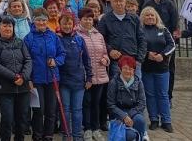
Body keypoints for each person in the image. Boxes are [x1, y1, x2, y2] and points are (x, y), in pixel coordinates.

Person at [24, 11, 65, 141]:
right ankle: (37, 135)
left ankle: (48, 135)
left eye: (43, 20)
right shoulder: (29, 38)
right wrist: (28, 79)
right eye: (38, 20)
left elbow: (62, 53)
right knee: (38, 110)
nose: (41, 23)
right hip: (36, 79)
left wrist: (56, 61)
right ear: (34, 21)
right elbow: (26, 59)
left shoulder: (53, 37)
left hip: (52, 78)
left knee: (51, 110)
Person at [0, 15, 32, 141]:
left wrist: (23, 77)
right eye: (4, 25)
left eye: (10, 25)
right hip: (5, 88)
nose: (7, 28)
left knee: (22, 119)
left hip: (23, 87)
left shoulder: (20, 42)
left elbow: (28, 60)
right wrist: (14, 77)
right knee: (7, 119)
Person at [140, 0, 179, 100]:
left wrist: (172, 36)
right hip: (150, 42)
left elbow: (175, 21)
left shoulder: (169, 4)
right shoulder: (147, 4)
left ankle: (168, 96)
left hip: (165, 40)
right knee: (150, 71)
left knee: (169, 70)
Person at [75, 8, 109, 141]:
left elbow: (105, 52)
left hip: (100, 75)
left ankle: (96, 129)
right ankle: (87, 128)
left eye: (90, 19)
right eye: (85, 19)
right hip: (85, 77)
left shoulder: (98, 35)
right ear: (80, 20)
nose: (88, 21)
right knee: (86, 103)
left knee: (96, 103)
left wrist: (105, 60)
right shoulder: (77, 35)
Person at [139, 7, 174, 133]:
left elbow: (172, 45)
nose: (150, 17)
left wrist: (162, 55)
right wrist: (147, 54)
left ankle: (166, 120)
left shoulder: (163, 30)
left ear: (156, 17)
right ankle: (154, 119)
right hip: (146, 68)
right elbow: (137, 46)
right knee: (150, 95)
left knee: (163, 94)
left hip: (162, 68)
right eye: (147, 15)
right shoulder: (140, 30)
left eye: (152, 15)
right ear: (143, 17)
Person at [58, 12, 91, 141]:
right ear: (60, 24)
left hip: (78, 81)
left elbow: (86, 59)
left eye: (69, 23)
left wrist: (89, 77)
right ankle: (67, 134)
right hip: (63, 81)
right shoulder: (57, 39)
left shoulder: (79, 39)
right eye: (64, 23)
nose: (67, 26)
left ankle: (77, 135)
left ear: (73, 25)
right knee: (65, 110)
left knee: (77, 109)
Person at [96, 0, 145, 78]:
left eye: (121, 1)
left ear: (125, 2)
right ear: (111, 3)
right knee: (117, 88)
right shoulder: (105, 19)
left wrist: (139, 59)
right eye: (115, 1)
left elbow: (142, 39)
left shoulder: (134, 18)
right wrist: (110, 50)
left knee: (135, 88)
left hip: (133, 60)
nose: (119, 3)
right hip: (116, 62)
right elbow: (100, 40)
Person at [106, 56, 148, 141]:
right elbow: (110, 105)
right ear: (120, 69)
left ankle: (141, 137)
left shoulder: (138, 82)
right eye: (125, 68)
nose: (128, 71)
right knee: (130, 135)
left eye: (131, 69)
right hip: (118, 113)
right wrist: (123, 116)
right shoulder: (113, 82)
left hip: (134, 111)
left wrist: (129, 115)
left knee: (140, 121)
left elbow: (142, 103)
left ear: (134, 70)